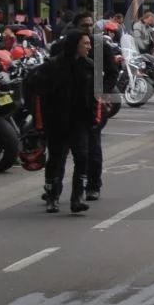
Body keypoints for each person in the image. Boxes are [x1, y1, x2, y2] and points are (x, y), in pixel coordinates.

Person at [49, 12, 120, 201]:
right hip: (65, 109)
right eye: (84, 25)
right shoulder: (60, 48)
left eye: (90, 25)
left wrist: (103, 93)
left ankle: (92, 185)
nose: (88, 29)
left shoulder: (100, 47)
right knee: (59, 152)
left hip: (91, 106)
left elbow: (112, 73)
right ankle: (53, 189)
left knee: (92, 147)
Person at [34, 30, 97, 214]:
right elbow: (39, 93)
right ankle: (52, 197)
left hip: (80, 120)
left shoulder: (88, 66)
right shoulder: (53, 65)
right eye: (85, 43)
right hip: (57, 120)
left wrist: (95, 117)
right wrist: (40, 122)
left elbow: (94, 95)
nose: (89, 47)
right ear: (75, 45)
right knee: (56, 159)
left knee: (82, 156)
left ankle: (77, 197)